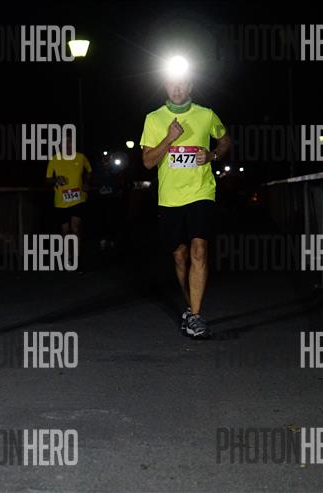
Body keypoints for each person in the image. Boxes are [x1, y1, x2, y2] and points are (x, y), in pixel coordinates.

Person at [140, 71, 231, 338]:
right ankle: (190, 308)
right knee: (179, 255)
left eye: (182, 83)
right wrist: (169, 138)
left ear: (190, 85)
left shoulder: (206, 115)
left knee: (199, 250)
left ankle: (196, 316)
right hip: (170, 198)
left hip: (201, 192)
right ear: (165, 86)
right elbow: (148, 162)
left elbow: (225, 141)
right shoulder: (153, 118)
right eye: (172, 83)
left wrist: (212, 155)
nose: (177, 88)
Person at [46, 135, 92, 267]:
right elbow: (47, 179)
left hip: (78, 199)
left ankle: (77, 258)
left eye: (70, 143)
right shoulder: (54, 159)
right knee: (65, 230)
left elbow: (89, 171)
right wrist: (56, 180)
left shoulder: (81, 157)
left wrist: (86, 183)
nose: (68, 146)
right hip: (61, 201)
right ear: (60, 146)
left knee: (75, 228)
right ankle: (69, 256)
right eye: (65, 143)